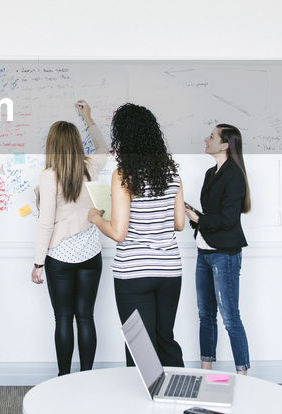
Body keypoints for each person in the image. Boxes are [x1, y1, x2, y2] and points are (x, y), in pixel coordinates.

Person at [88, 103, 186, 367]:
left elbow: (119, 233)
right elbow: (179, 224)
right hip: (169, 271)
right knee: (165, 339)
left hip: (134, 272)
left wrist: (97, 218)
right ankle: (178, 400)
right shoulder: (171, 172)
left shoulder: (124, 175)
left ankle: (143, 405)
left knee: (140, 348)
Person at [32, 100, 108, 375]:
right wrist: (89, 119)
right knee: (86, 317)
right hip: (90, 252)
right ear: (77, 142)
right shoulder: (90, 166)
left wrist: (38, 263)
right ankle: (85, 376)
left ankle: (64, 378)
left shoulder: (49, 176)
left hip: (60, 257)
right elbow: (103, 149)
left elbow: (46, 222)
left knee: (63, 318)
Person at [186, 123, 252, 375]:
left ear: (225, 144)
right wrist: (195, 215)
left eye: (212, 136)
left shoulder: (235, 175)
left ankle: (243, 376)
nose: (206, 139)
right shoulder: (209, 173)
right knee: (205, 315)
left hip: (225, 254)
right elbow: (214, 215)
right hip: (204, 252)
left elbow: (228, 219)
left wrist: (198, 219)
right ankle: (206, 372)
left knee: (230, 318)